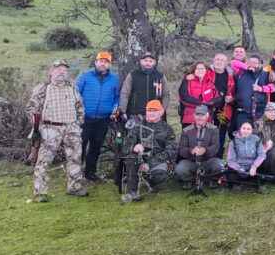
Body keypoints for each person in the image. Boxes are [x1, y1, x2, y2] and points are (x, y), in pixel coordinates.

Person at [27, 60, 88, 202]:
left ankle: (75, 187)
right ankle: (40, 192)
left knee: (75, 158)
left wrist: (77, 124)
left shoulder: (72, 88)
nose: (61, 72)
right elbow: (31, 109)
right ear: (51, 71)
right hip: (50, 129)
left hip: (71, 128)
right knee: (44, 160)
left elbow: (80, 107)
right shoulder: (43, 88)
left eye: (65, 70)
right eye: (58, 69)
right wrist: (40, 127)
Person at [75, 51, 120, 183]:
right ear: (95, 62)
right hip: (85, 118)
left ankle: (90, 173)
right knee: (80, 146)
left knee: (96, 146)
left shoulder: (115, 80)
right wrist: (78, 111)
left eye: (106, 62)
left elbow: (117, 97)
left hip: (103, 119)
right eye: (100, 61)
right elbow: (75, 95)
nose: (103, 64)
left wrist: (113, 109)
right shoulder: (84, 77)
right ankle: (75, 174)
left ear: (109, 64)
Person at [120, 100, 175, 203]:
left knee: (161, 174)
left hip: (157, 161)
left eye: (154, 110)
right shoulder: (137, 127)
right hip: (139, 159)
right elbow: (125, 147)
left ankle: (151, 181)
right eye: (149, 110)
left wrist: (150, 164)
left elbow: (171, 151)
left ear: (161, 112)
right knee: (131, 158)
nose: (151, 113)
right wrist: (134, 147)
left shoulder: (167, 129)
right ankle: (132, 191)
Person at [175, 105, 222, 190]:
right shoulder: (186, 130)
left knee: (220, 165)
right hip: (192, 161)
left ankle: (212, 179)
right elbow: (181, 149)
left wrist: (205, 150)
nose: (200, 117)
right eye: (197, 115)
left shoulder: (214, 129)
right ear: (194, 115)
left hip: (208, 160)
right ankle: (189, 180)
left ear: (207, 115)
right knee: (179, 169)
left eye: (202, 115)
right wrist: (191, 151)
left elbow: (216, 147)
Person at [119, 51, 169, 120]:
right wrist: (123, 111)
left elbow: (166, 94)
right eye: (145, 61)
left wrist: (163, 109)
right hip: (136, 115)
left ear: (154, 62)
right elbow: (125, 93)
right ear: (141, 62)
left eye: (150, 61)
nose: (147, 63)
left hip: (155, 113)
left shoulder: (160, 76)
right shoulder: (132, 75)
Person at [225, 121, 272, 192]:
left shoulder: (256, 140)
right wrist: (239, 168)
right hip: (239, 169)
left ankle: (260, 184)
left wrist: (254, 166)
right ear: (240, 129)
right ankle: (236, 184)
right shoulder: (233, 142)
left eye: (248, 129)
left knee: (266, 162)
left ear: (252, 130)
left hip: (253, 168)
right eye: (244, 128)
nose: (246, 131)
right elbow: (231, 160)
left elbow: (262, 154)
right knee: (229, 172)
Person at [233, 54, 274, 132]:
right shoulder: (241, 72)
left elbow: (273, 87)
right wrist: (247, 67)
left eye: (255, 62)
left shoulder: (265, 74)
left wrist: (260, 88)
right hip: (242, 112)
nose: (253, 64)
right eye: (250, 62)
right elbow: (233, 62)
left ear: (260, 64)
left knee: (257, 135)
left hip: (259, 112)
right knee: (241, 134)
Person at [206, 53, 235, 157]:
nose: (219, 62)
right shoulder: (206, 73)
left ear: (226, 63)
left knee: (221, 133)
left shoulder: (230, 76)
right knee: (207, 133)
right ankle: (206, 157)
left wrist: (231, 99)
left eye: (222, 60)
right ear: (213, 61)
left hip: (224, 109)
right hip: (208, 109)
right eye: (217, 59)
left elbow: (234, 93)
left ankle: (218, 157)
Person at [178, 61, 222, 128]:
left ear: (206, 70)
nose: (200, 70)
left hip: (206, 118)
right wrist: (202, 103)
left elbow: (218, 98)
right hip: (190, 118)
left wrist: (210, 103)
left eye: (202, 69)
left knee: (206, 138)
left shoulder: (209, 83)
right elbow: (184, 97)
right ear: (194, 70)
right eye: (198, 69)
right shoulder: (187, 81)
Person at [258, 102, 275, 180]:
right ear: (265, 112)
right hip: (261, 149)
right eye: (270, 112)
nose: (273, 114)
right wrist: (265, 146)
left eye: (274, 112)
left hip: (274, 147)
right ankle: (264, 175)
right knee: (273, 155)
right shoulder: (259, 123)